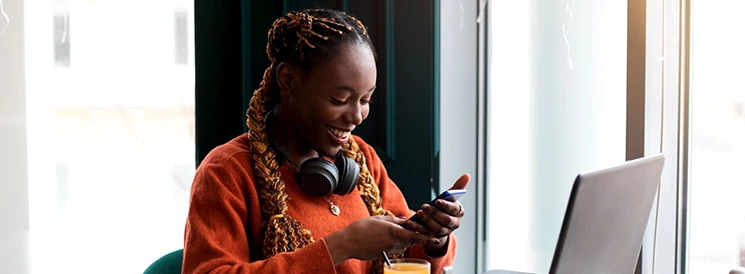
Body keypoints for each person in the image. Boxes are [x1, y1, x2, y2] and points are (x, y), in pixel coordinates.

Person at [182, 8, 469, 274]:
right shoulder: (225, 173)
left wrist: (434, 237)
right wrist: (340, 247)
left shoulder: (361, 158)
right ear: (288, 80)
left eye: (366, 100)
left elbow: (408, 249)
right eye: (339, 99)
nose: (356, 116)